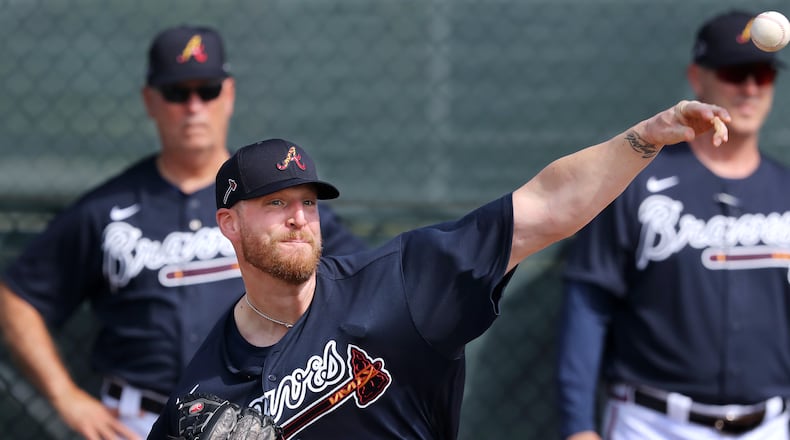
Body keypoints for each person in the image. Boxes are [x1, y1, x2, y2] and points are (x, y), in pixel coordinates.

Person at [147, 91, 729, 438]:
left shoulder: (399, 287)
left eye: (307, 202)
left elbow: (545, 208)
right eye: (275, 203)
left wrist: (646, 138)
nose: (299, 217)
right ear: (229, 224)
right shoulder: (203, 390)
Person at [0, 25, 365, 440]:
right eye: (177, 92)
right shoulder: (107, 210)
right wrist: (66, 396)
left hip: (262, 414)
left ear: (227, 94)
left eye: (206, 90)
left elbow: (358, 284)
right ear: (150, 100)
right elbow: (18, 295)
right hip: (137, 422)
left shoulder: (282, 206)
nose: (193, 107)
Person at [556, 10, 790, 440]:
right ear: (697, 77)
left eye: (763, 73)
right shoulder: (637, 186)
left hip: (772, 425)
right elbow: (588, 302)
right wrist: (577, 426)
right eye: (735, 72)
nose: (751, 89)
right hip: (652, 424)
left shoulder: (786, 189)